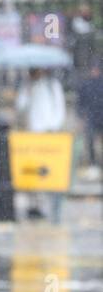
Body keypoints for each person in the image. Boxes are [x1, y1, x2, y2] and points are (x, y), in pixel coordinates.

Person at [16, 67, 66, 219]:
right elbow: (20, 106)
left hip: (48, 134)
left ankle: (45, 204)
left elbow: (60, 108)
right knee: (32, 171)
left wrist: (54, 127)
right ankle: (34, 205)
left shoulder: (53, 85)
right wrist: (28, 90)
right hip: (32, 134)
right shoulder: (26, 86)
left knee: (47, 170)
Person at [77, 63, 103, 168]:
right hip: (91, 117)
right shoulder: (86, 84)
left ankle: (98, 163)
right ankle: (93, 163)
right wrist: (81, 115)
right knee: (90, 140)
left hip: (99, 116)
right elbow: (81, 101)